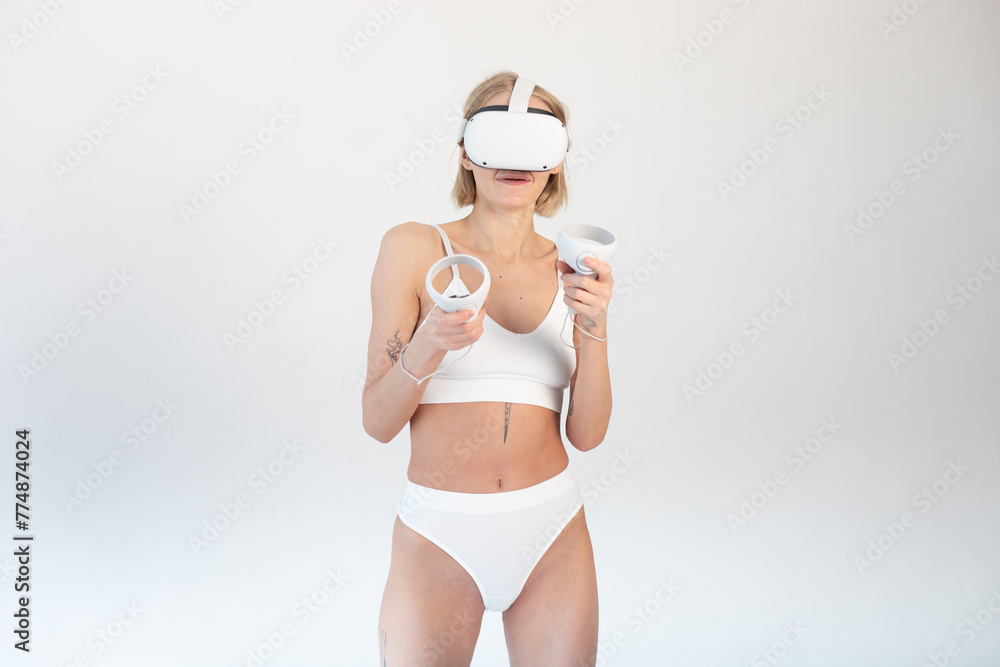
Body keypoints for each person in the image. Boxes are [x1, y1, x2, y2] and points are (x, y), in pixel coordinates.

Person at [363, 70, 613, 666]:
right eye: (498, 135)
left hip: (551, 529)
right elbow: (377, 420)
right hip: (441, 534)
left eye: (535, 141)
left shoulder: (573, 266)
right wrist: (429, 345)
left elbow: (588, 434)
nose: (515, 159)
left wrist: (595, 324)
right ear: (466, 153)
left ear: (556, 162)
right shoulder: (415, 248)